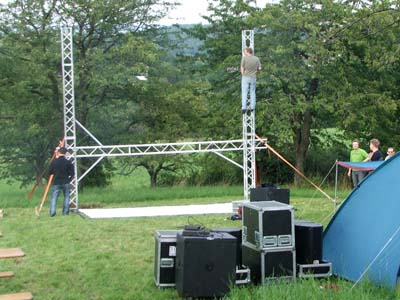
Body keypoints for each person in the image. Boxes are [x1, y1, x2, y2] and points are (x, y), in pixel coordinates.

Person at [48, 147, 74, 217]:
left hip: (56, 182)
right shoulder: (68, 162)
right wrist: (69, 179)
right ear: (65, 153)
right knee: (66, 197)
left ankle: (52, 212)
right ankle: (65, 213)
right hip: (66, 181)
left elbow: (50, 172)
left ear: (59, 152)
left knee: (54, 197)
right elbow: (72, 173)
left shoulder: (54, 162)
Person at [241, 47, 261, 113]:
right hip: (253, 77)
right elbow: (260, 68)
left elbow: (242, 68)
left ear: (247, 51)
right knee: (252, 92)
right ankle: (252, 107)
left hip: (245, 77)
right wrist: (256, 71)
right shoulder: (256, 59)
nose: (244, 52)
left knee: (244, 92)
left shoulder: (244, 58)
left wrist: (243, 74)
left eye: (245, 51)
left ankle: (244, 108)